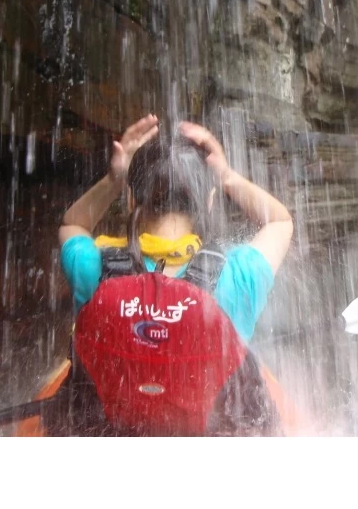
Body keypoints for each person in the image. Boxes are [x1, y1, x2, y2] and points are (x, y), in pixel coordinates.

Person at [56, 114, 294, 435]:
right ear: (209, 203)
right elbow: (279, 222)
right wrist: (225, 177)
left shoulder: (93, 265)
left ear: (130, 200)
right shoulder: (239, 274)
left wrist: (114, 180)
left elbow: (73, 224)